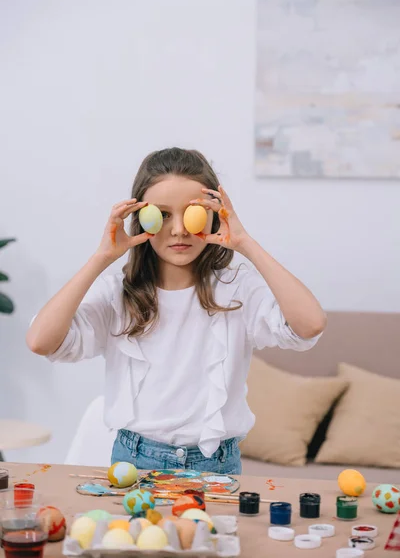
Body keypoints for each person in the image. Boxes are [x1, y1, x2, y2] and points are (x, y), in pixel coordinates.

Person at [26, 147, 326, 474]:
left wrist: (245, 243)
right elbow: (41, 341)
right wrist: (101, 258)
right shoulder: (117, 294)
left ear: (214, 214)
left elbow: (309, 324)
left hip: (216, 466)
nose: (180, 229)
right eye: (163, 214)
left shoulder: (237, 288)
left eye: (192, 212)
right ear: (140, 218)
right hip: (135, 462)